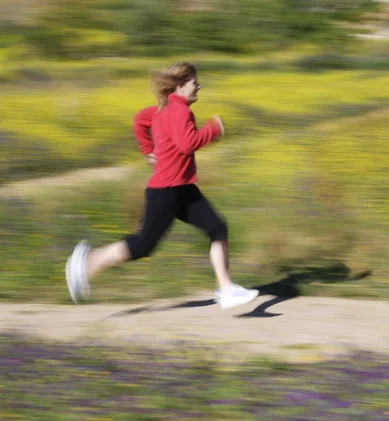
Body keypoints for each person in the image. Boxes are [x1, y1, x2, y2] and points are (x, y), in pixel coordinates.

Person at [65, 62, 259, 310]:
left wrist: (148, 151)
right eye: (194, 82)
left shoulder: (163, 109)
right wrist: (214, 129)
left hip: (182, 189)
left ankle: (227, 290)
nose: (199, 86)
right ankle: (87, 261)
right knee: (143, 245)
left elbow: (139, 120)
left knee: (217, 228)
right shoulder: (179, 111)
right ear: (180, 86)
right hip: (167, 191)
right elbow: (188, 143)